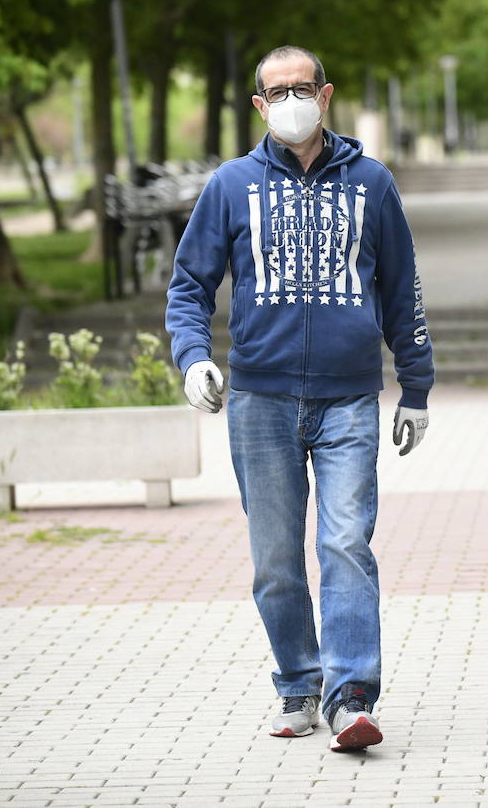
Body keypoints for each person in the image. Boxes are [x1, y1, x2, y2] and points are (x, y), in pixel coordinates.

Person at [166, 45, 433, 752]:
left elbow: (401, 287)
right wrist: (193, 358)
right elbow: (189, 285)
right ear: (258, 105)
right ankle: (297, 683)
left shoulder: (373, 184)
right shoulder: (230, 185)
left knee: (346, 544)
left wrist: (417, 387)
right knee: (276, 560)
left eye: (301, 88)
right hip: (261, 399)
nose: (290, 101)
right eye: (276, 92)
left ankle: (350, 696)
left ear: (326, 93)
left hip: (349, 399)